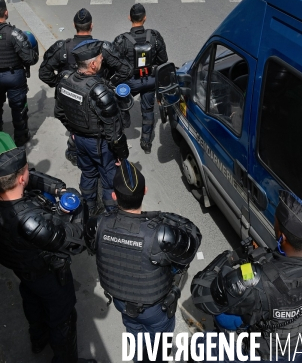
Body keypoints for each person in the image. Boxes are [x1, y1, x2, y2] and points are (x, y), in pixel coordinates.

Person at [191, 190, 302, 363]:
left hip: (263, 354)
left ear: (282, 236)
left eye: (276, 222)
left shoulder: (259, 281)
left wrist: (231, 258)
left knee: (199, 345)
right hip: (300, 349)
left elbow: (201, 294)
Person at [85, 160, 201, 363]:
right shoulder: (157, 235)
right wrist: (164, 216)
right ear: (145, 190)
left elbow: (91, 246)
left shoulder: (99, 225)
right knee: (158, 349)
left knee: (134, 332)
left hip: (121, 302)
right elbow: (193, 241)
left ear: (114, 196)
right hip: (154, 309)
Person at [0, 147, 97, 363]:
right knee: (63, 320)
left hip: (22, 269)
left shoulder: (9, 197)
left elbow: (33, 178)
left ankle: (38, 340)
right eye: (26, 171)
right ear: (21, 178)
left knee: (32, 303)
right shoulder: (31, 221)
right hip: (49, 275)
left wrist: (58, 190)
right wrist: (78, 207)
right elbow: (77, 241)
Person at [39, 8, 131, 163]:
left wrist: (64, 85)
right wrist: (109, 85)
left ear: (74, 25)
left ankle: (75, 147)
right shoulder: (101, 48)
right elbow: (126, 70)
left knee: (76, 126)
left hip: (73, 101)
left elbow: (44, 73)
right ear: (92, 26)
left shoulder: (63, 47)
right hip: (96, 101)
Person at [54, 39, 130, 214]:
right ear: (94, 65)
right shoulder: (98, 91)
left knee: (88, 174)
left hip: (79, 140)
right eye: (101, 59)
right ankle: (110, 215)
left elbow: (59, 113)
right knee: (109, 180)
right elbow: (114, 130)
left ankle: (89, 209)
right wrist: (121, 155)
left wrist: (74, 131)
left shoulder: (65, 81)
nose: (102, 62)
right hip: (100, 144)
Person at [113, 3, 168, 154]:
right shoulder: (155, 36)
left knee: (118, 102)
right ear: (145, 18)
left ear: (129, 18)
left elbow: (113, 64)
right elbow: (163, 60)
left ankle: (122, 127)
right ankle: (146, 143)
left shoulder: (121, 40)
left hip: (130, 82)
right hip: (150, 80)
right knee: (148, 110)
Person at [0, 0, 38, 145]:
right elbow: (30, 59)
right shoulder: (15, 34)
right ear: (6, 13)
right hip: (14, 76)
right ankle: (21, 138)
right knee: (19, 109)